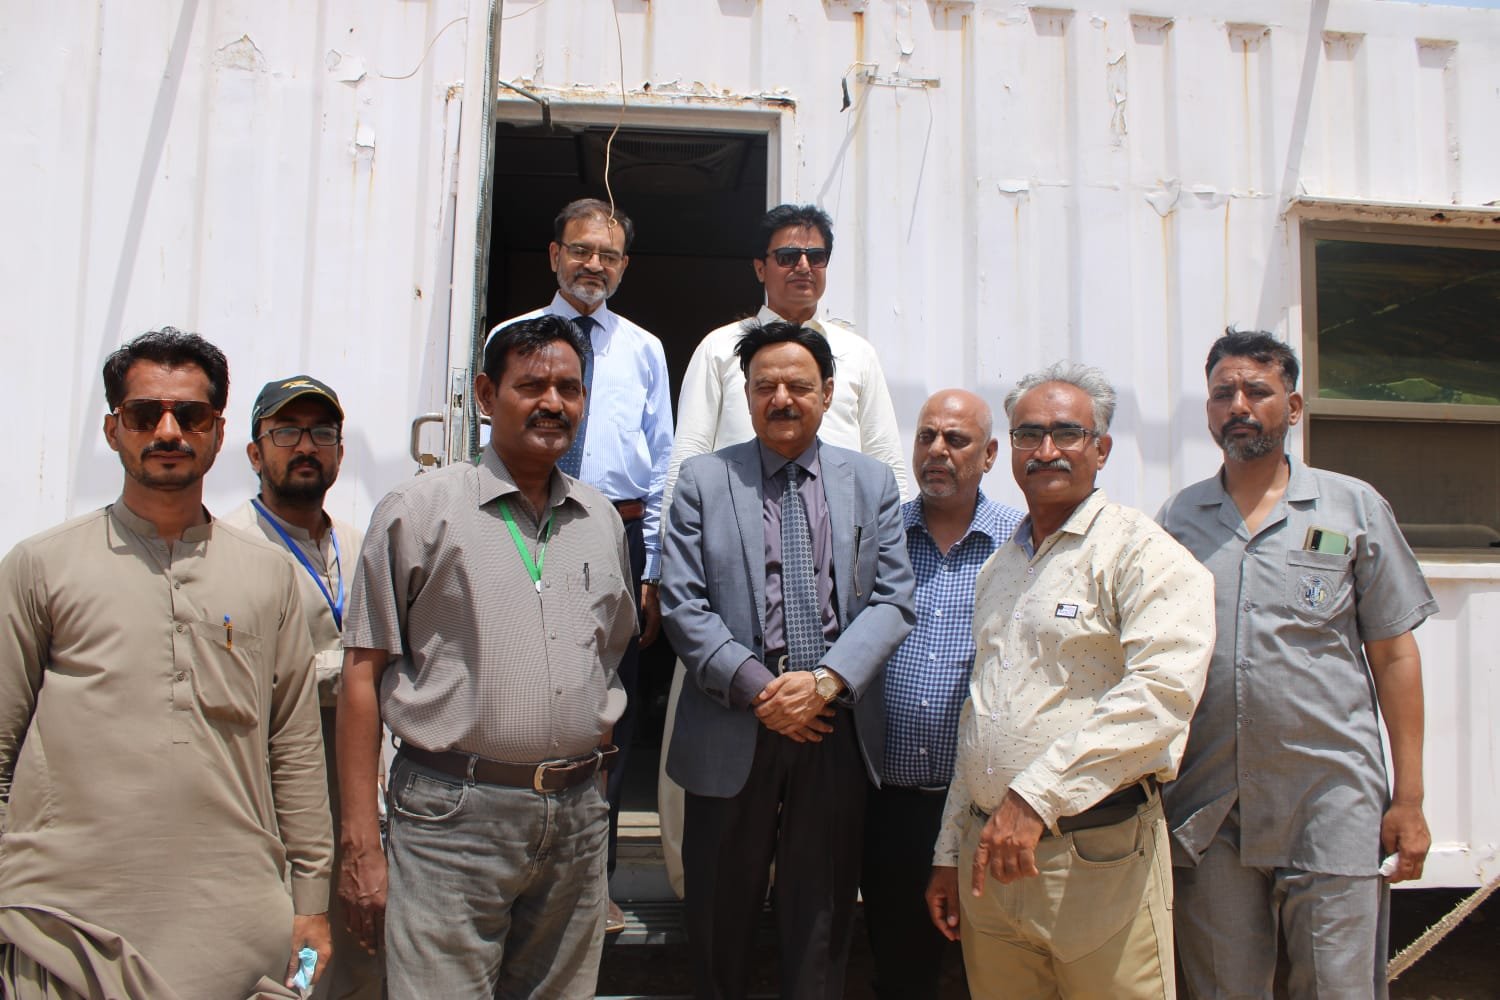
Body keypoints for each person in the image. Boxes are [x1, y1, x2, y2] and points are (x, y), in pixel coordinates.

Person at [0, 328, 333, 999]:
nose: (169, 431)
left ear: (218, 432)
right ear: (113, 429)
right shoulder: (41, 566)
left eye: (192, 415)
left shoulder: (267, 577)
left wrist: (312, 902)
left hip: (232, 928)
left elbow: (295, 750)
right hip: (63, 925)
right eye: (145, 414)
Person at [336, 315, 636, 1000]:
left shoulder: (599, 520)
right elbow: (361, 676)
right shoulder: (417, 511)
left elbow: (606, 663)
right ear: (484, 394)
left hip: (575, 822)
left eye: (569, 388)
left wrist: (591, 789)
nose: (553, 403)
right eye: (531, 386)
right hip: (452, 817)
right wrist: (360, 841)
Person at [1158, 331, 1437, 999]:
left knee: (1336, 987)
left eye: (1257, 391)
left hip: (1330, 801)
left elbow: (1395, 654)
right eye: (1223, 394)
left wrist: (1410, 800)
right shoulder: (1178, 520)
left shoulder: (1351, 508)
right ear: (1208, 411)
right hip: (1212, 808)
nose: (1239, 405)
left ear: (1293, 405)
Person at [925, 361, 1214, 999]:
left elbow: (1161, 697)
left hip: (1096, 863)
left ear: (1101, 449)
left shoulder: (1142, 553)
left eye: (1067, 433)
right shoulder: (1001, 566)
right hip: (989, 864)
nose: (1045, 450)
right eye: (1028, 434)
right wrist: (950, 849)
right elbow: (981, 713)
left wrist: (1034, 798)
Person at [659, 202, 908, 896]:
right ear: (760, 267)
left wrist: (896, 576)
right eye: (787, 254)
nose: (802, 266)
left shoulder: (856, 353)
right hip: (728, 584)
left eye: (815, 256)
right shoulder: (721, 347)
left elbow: (887, 455)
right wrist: (666, 566)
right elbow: (688, 452)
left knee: (820, 866)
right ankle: (686, 880)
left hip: (838, 595)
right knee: (712, 777)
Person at [661, 321, 915, 999]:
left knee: (821, 921)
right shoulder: (704, 480)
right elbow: (682, 604)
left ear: (827, 394)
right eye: (764, 385)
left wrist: (825, 683)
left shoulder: (870, 482)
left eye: (798, 385)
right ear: (745, 396)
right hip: (731, 723)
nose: (781, 398)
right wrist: (762, 691)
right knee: (719, 919)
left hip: (833, 727)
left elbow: (893, 599)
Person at [498, 198, 673, 928]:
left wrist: (652, 566)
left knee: (609, 707)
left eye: (608, 254)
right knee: (524, 691)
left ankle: (593, 881)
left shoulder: (644, 349)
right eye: (580, 250)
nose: (593, 264)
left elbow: (661, 462)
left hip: (618, 536)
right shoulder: (511, 339)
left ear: (624, 265)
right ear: (554, 256)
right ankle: (512, 877)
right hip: (526, 526)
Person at [861, 390, 1022, 1000]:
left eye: (956, 440)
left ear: (990, 455)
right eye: (927, 436)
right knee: (902, 972)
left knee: (999, 974)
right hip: (889, 806)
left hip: (988, 807)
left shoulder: (1022, 541)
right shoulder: (879, 535)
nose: (937, 451)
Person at [222, 375, 379, 1000]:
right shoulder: (229, 546)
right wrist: (358, 669)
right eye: (286, 432)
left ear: (340, 452)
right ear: (255, 452)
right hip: (274, 789)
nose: (306, 446)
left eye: (322, 433)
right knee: (293, 952)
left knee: (360, 949)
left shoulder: (359, 544)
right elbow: (248, 675)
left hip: (355, 783)